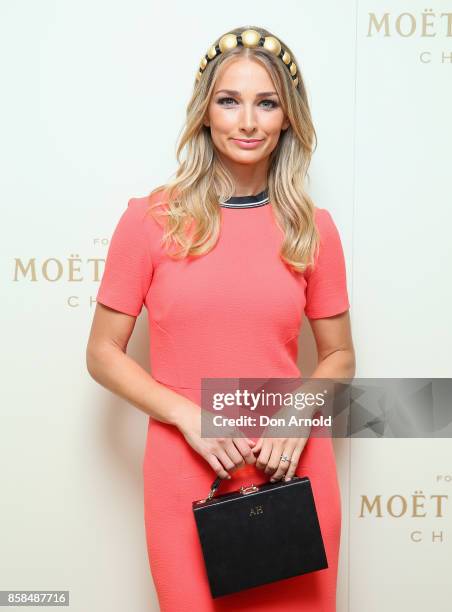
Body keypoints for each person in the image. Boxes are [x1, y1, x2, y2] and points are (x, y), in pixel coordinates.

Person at [86, 25, 355, 612]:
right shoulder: (149, 220)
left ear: (288, 117)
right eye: (229, 101)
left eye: (268, 102)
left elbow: (339, 355)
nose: (248, 121)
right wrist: (188, 415)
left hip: (292, 470)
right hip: (186, 468)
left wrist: (300, 411)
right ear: (205, 113)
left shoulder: (314, 228)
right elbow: (102, 352)